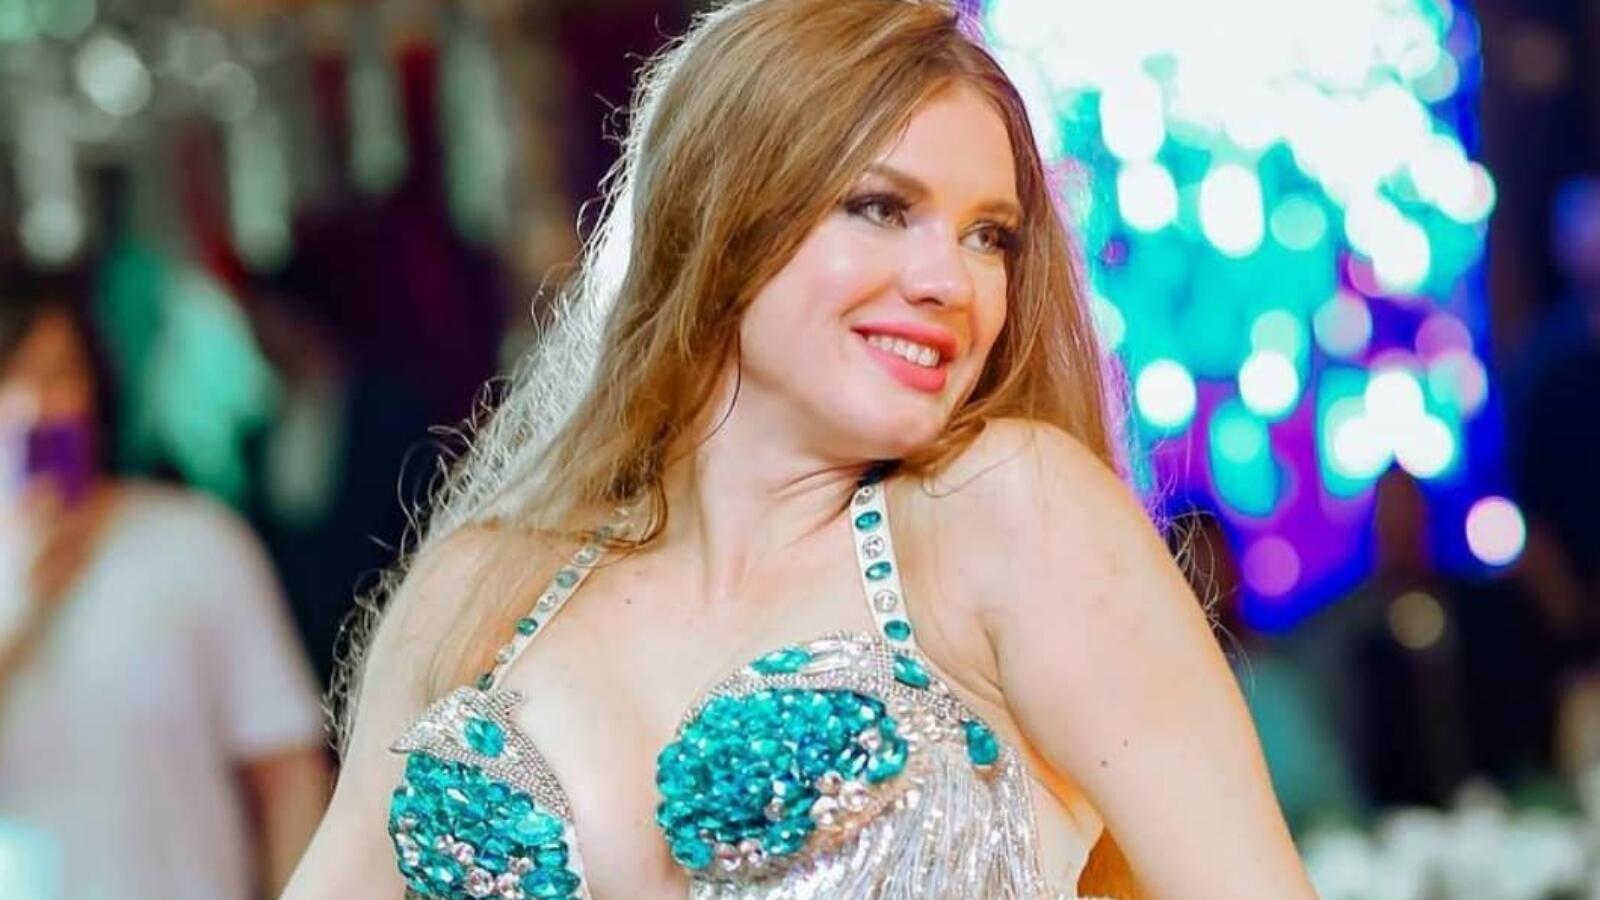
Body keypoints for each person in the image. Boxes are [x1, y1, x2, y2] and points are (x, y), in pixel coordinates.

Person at [284, 1, 1315, 898]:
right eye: (882, 209)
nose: (949, 282)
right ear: (719, 217)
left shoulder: (1008, 515)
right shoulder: (482, 593)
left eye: (988, 236)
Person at [0, 278, 333, 899]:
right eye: (8, 381)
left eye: (55, 375)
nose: (32, 407)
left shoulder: (198, 543)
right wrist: (19, 604)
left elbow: (287, 771)